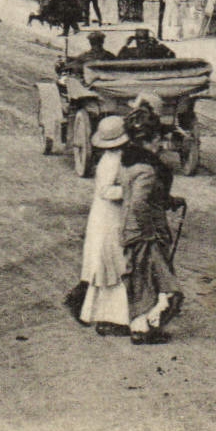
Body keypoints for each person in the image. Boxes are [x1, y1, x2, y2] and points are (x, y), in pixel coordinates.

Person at [69, 115, 132, 336]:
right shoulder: (112, 161)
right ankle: (110, 318)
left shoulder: (112, 157)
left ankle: (99, 312)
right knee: (111, 264)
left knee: (108, 265)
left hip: (106, 217)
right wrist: (130, 191)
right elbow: (106, 191)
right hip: (108, 218)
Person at [120, 132, 184, 345]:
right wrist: (149, 232)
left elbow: (148, 198)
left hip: (134, 230)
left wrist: (169, 201)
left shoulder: (130, 164)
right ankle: (142, 328)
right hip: (144, 233)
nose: (160, 144)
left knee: (144, 278)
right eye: (156, 139)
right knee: (155, 279)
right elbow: (139, 203)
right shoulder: (147, 170)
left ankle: (144, 326)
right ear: (145, 141)